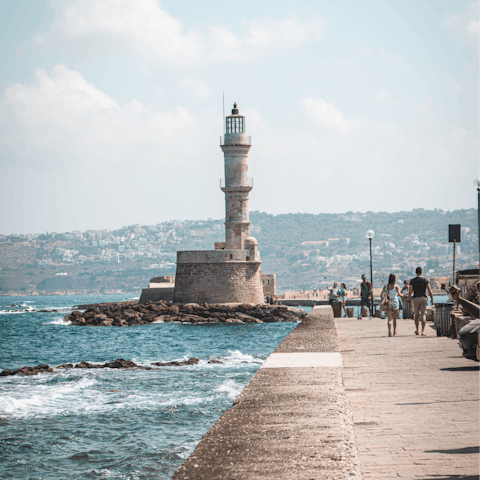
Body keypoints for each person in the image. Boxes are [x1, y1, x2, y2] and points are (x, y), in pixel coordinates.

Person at [407, 266, 434, 336]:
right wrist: (432, 299)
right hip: (423, 298)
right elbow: (429, 290)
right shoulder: (425, 280)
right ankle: (423, 331)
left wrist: (410, 301)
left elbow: (410, 292)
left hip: (415, 299)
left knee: (416, 315)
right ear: (422, 272)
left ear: (415, 272)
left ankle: (417, 330)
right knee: (423, 314)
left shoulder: (412, 281)